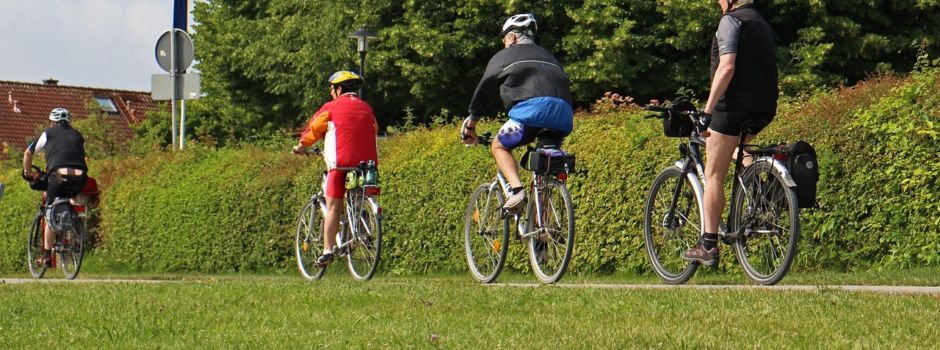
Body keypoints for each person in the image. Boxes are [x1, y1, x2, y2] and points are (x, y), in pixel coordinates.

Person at [683, 0, 779, 265]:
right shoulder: (761, 23)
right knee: (739, 148)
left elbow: (727, 66)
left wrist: (708, 110)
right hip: (764, 107)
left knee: (713, 174)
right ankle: (759, 190)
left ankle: (708, 245)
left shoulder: (730, 21)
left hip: (733, 107)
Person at [461, 13, 574, 211]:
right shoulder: (550, 56)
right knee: (546, 170)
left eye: (504, 39)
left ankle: (517, 191)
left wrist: (471, 123)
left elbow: (484, 90)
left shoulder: (505, 55)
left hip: (531, 112)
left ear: (512, 37)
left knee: (499, 146)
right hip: (563, 115)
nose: (505, 43)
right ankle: (542, 233)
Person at [292, 71, 378, 267]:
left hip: (339, 165)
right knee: (357, 197)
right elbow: (373, 129)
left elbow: (313, 130)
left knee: (333, 207)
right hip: (366, 166)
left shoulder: (330, 108)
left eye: (332, 89)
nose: (331, 93)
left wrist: (301, 146)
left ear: (339, 89)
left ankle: (327, 250)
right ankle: (362, 228)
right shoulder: (367, 108)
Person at [22, 108, 89, 267]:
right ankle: (74, 221)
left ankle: (46, 257)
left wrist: (28, 172)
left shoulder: (48, 133)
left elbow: (27, 153)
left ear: (52, 121)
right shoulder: (78, 135)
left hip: (58, 176)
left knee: (49, 213)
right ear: (69, 121)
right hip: (81, 177)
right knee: (70, 196)